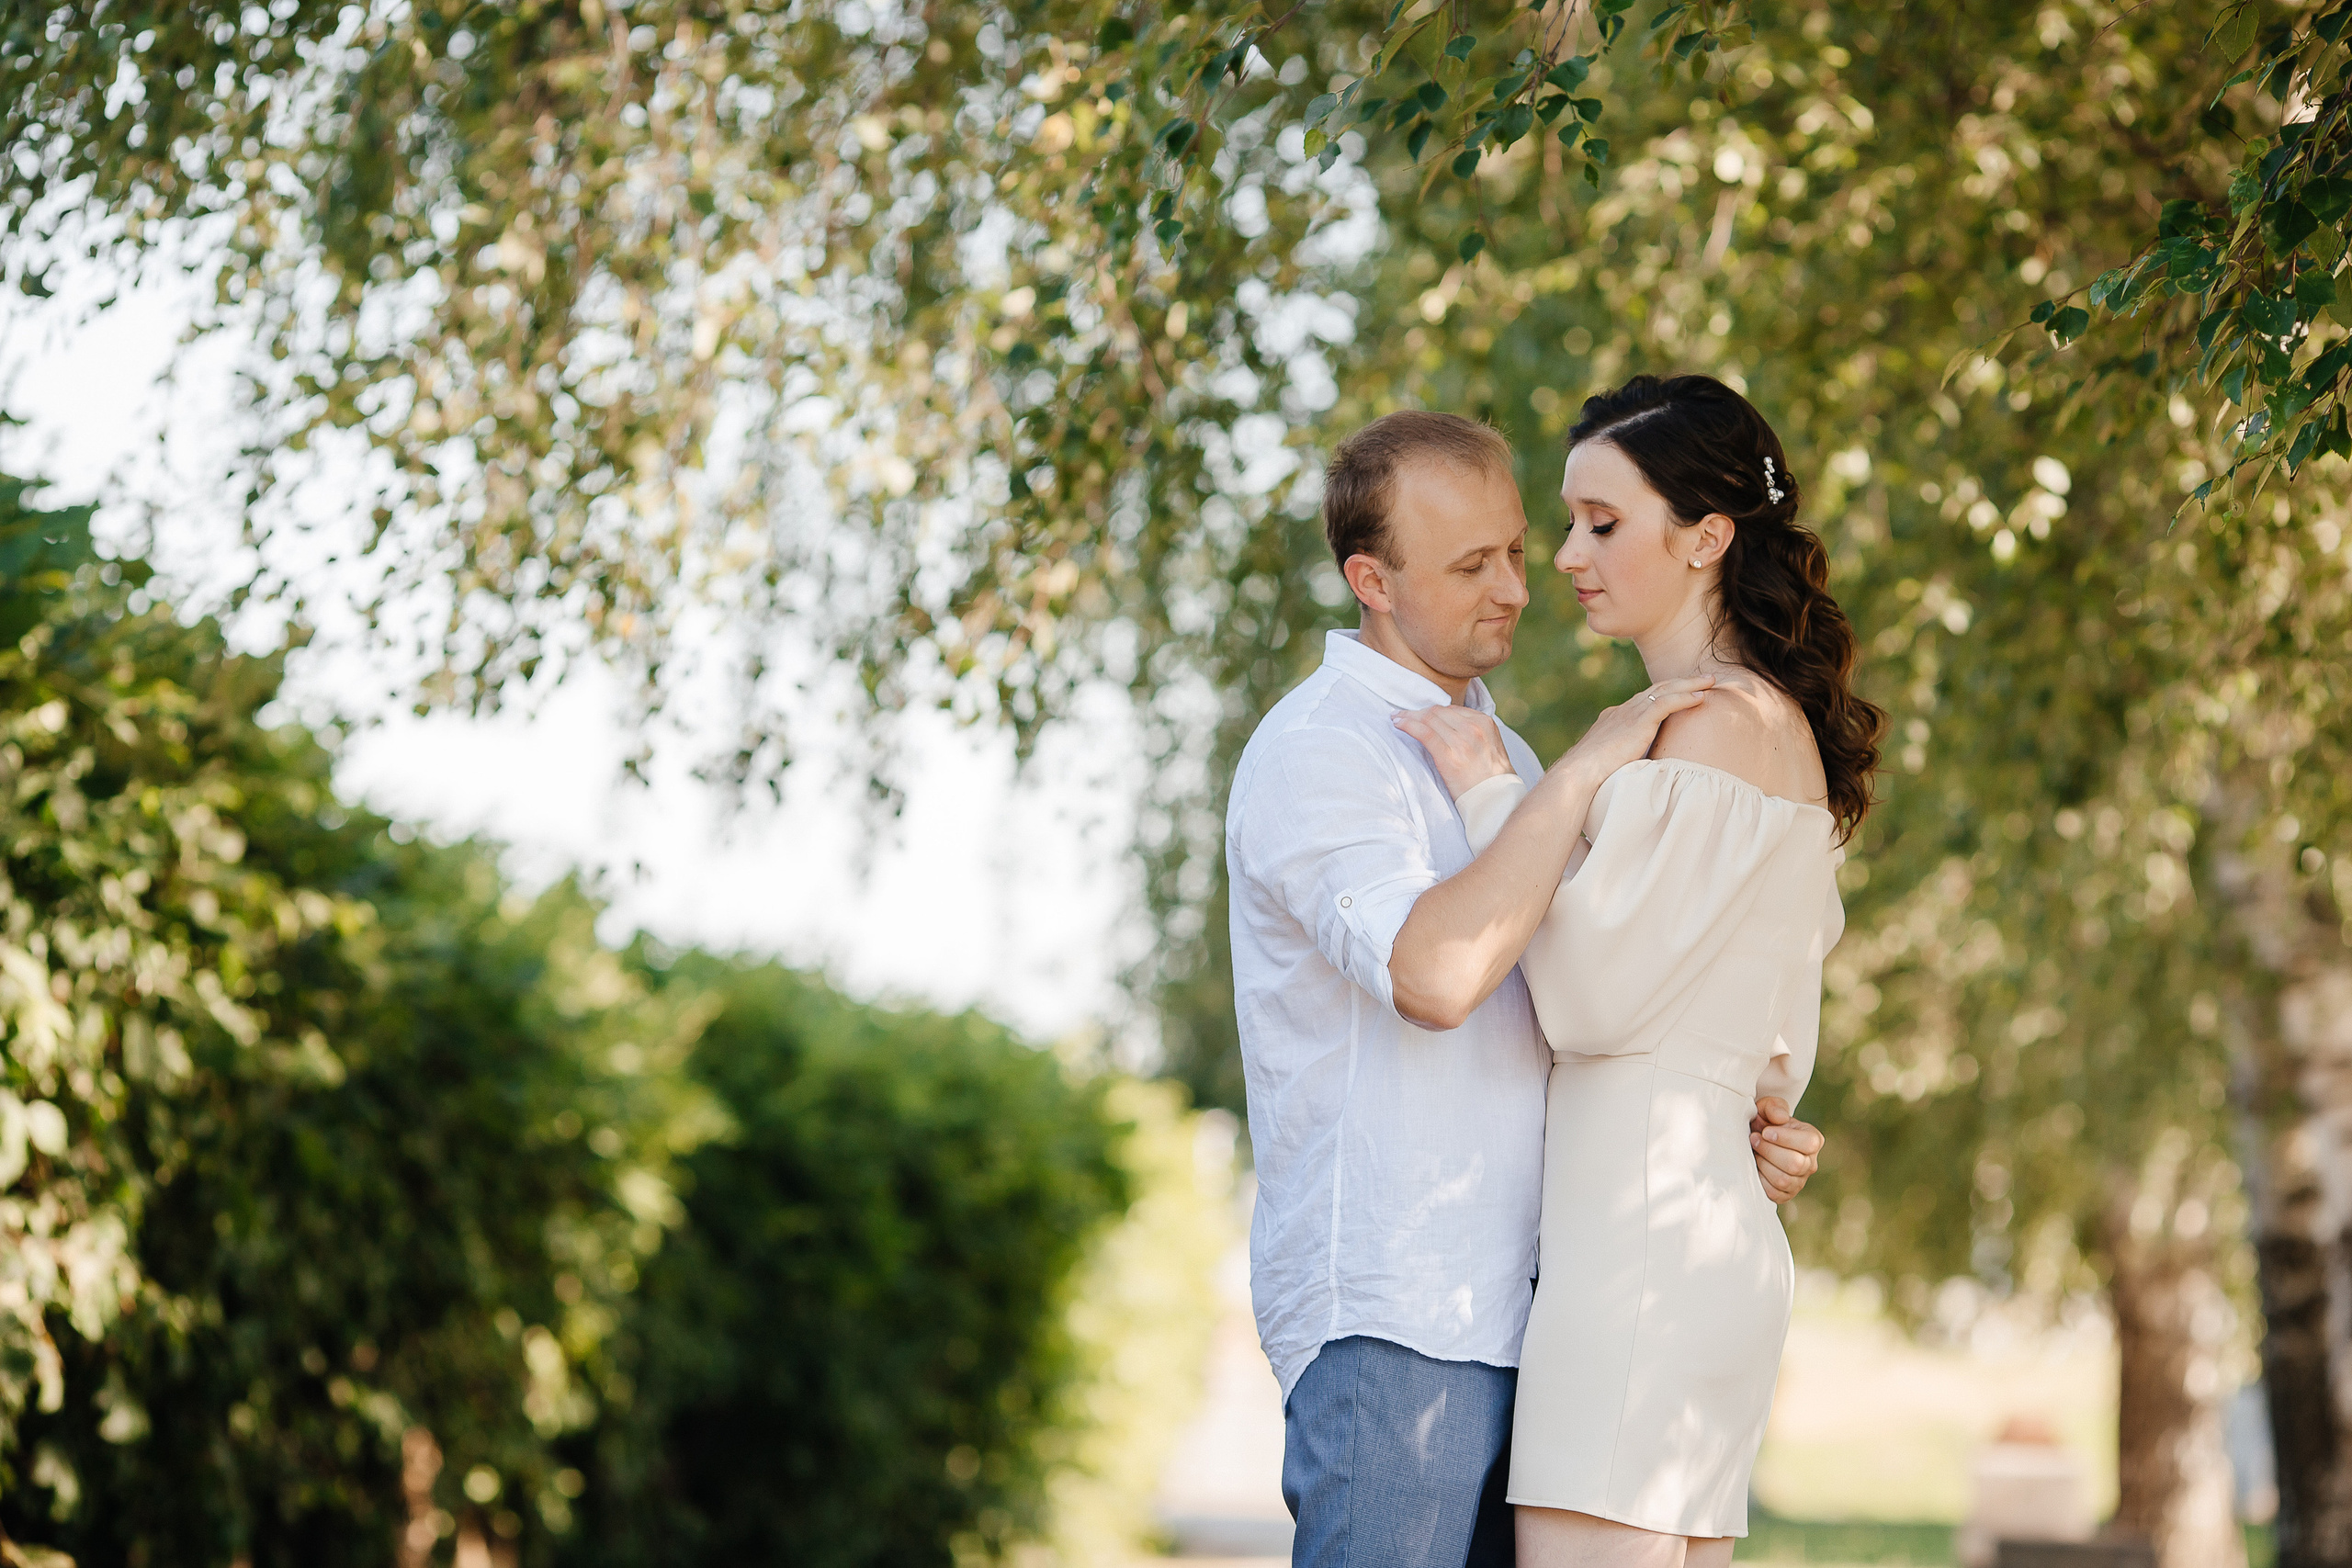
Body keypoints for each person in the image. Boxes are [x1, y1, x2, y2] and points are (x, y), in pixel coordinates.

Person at [1225, 407, 1828, 1568]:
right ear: (1372, 580)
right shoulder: (1324, 754)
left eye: (1518, 545)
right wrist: (1588, 765)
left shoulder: (1519, 762)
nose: (1521, 581)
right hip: (1401, 1321)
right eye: (1472, 565)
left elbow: (1615, 1004)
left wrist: (1727, 1121)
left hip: (1534, 1304)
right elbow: (1446, 975)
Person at [1395, 375, 1885, 1568]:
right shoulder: (1773, 731)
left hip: (1642, 1257)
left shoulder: (1712, 725)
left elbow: (1586, 994)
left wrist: (1492, 795)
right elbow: (1778, 1046)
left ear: (1708, 534)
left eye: (1602, 522)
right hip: (1701, 1242)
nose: (1565, 554)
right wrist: (1761, 1120)